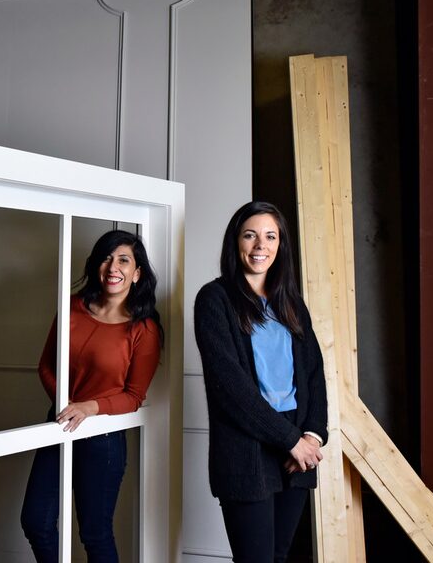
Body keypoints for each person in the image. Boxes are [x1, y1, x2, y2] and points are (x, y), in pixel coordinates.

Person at [193, 201, 328, 563]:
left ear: (280, 244)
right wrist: (291, 442)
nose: (260, 246)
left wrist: (312, 436)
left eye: (270, 236)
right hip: (247, 448)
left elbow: (315, 375)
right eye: (250, 235)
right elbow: (230, 389)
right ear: (235, 242)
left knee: (280, 555)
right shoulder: (214, 299)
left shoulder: (292, 303)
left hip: (296, 445)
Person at [20, 229, 163, 563]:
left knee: (95, 533)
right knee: (36, 521)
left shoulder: (144, 329)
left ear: (136, 273)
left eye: (124, 260)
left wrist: (89, 407)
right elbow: (45, 365)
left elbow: (134, 396)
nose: (113, 266)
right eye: (106, 258)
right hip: (59, 423)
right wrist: (67, 405)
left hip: (104, 438)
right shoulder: (71, 308)